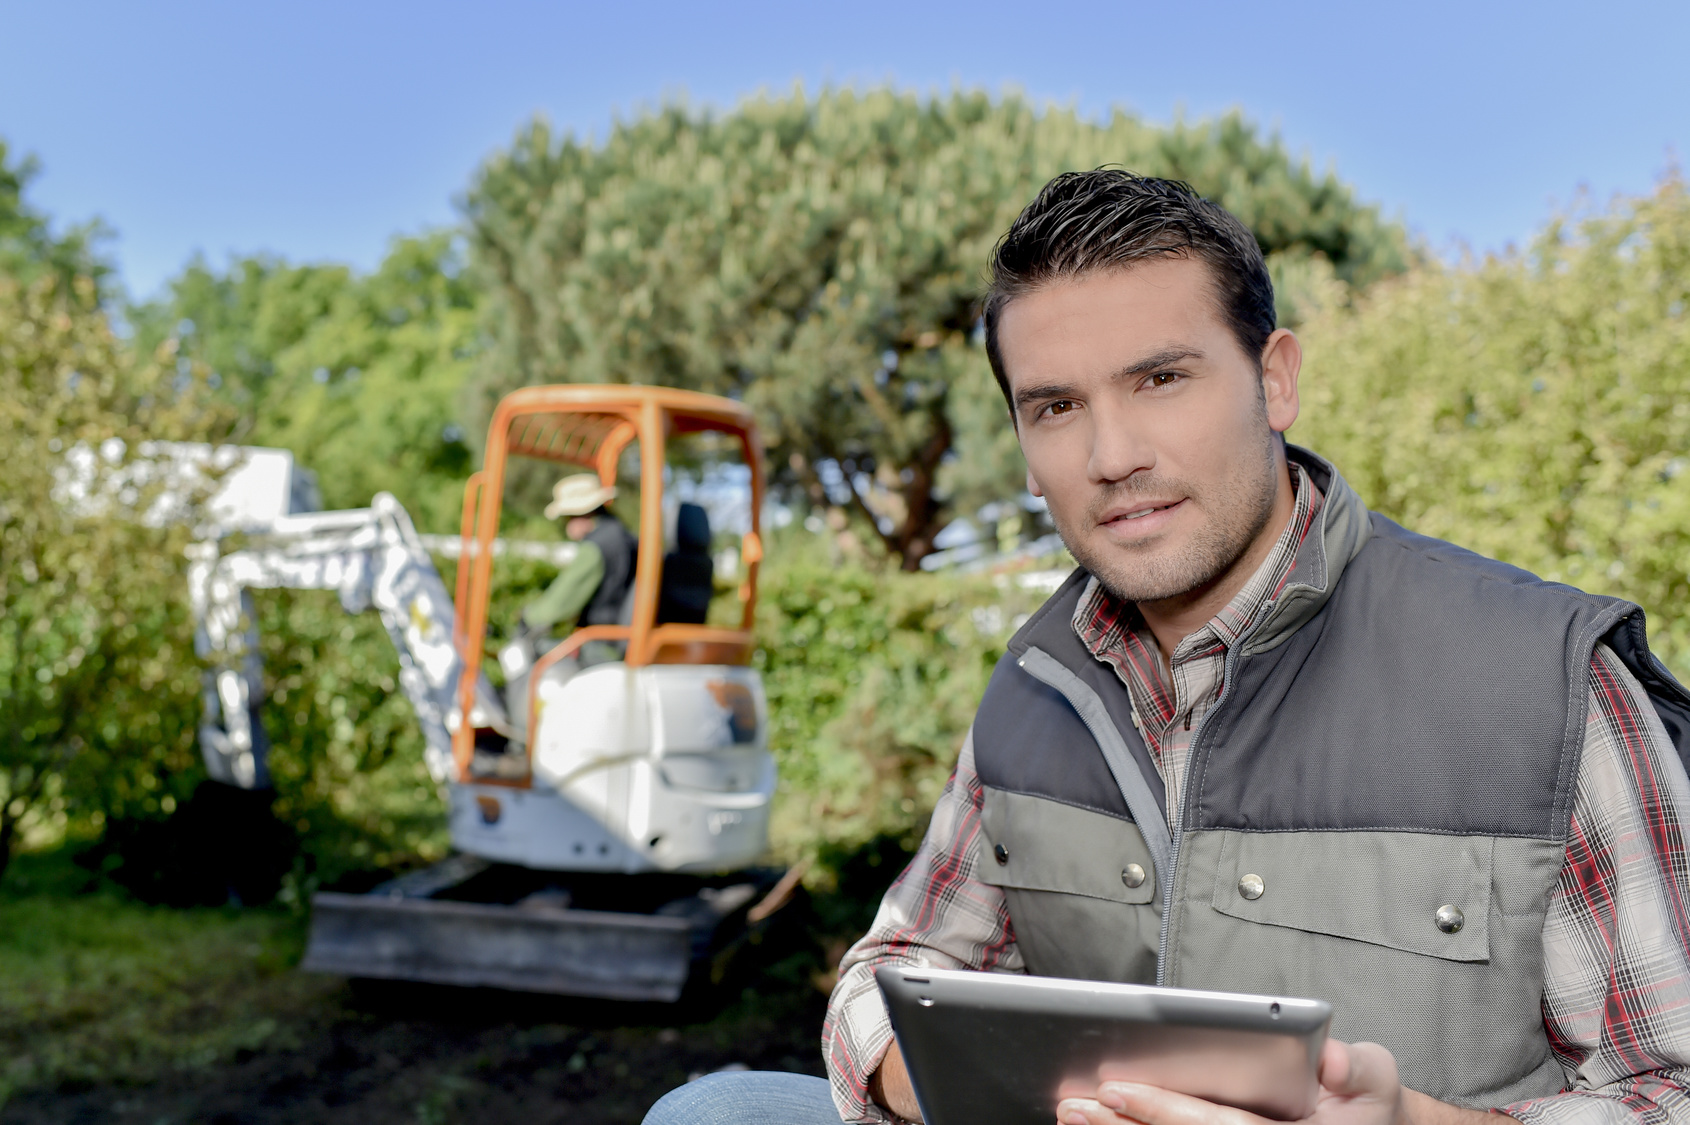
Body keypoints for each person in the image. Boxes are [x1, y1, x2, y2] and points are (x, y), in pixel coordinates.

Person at [643, 172, 1690, 1125]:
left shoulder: (1544, 682)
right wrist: (971, 1089)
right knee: (713, 1112)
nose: (1110, 457)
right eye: (1055, 407)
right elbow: (892, 966)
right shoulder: (1034, 679)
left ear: (1274, 381)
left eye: (1160, 380)